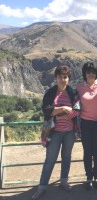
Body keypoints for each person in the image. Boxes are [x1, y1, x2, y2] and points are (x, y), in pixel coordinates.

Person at [32, 65, 80, 200]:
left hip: (69, 132)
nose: (63, 79)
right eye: (60, 77)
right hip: (54, 132)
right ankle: (42, 186)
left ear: (69, 78)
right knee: (50, 159)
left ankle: (64, 180)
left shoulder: (72, 93)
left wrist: (58, 111)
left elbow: (76, 112)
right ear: (55, 78)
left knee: (66, 157)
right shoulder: (50, 92)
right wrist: (65, 108)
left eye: (65, 77)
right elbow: (46, 111)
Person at [76, 61, 97, 190]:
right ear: (84, 73)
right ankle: (89, 177)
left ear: (96, 73)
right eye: (88, 72)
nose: (91, 74)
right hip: (85, 123)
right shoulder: (79, 88)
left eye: (93, 72)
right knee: (87, 151)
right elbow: (74, 106)